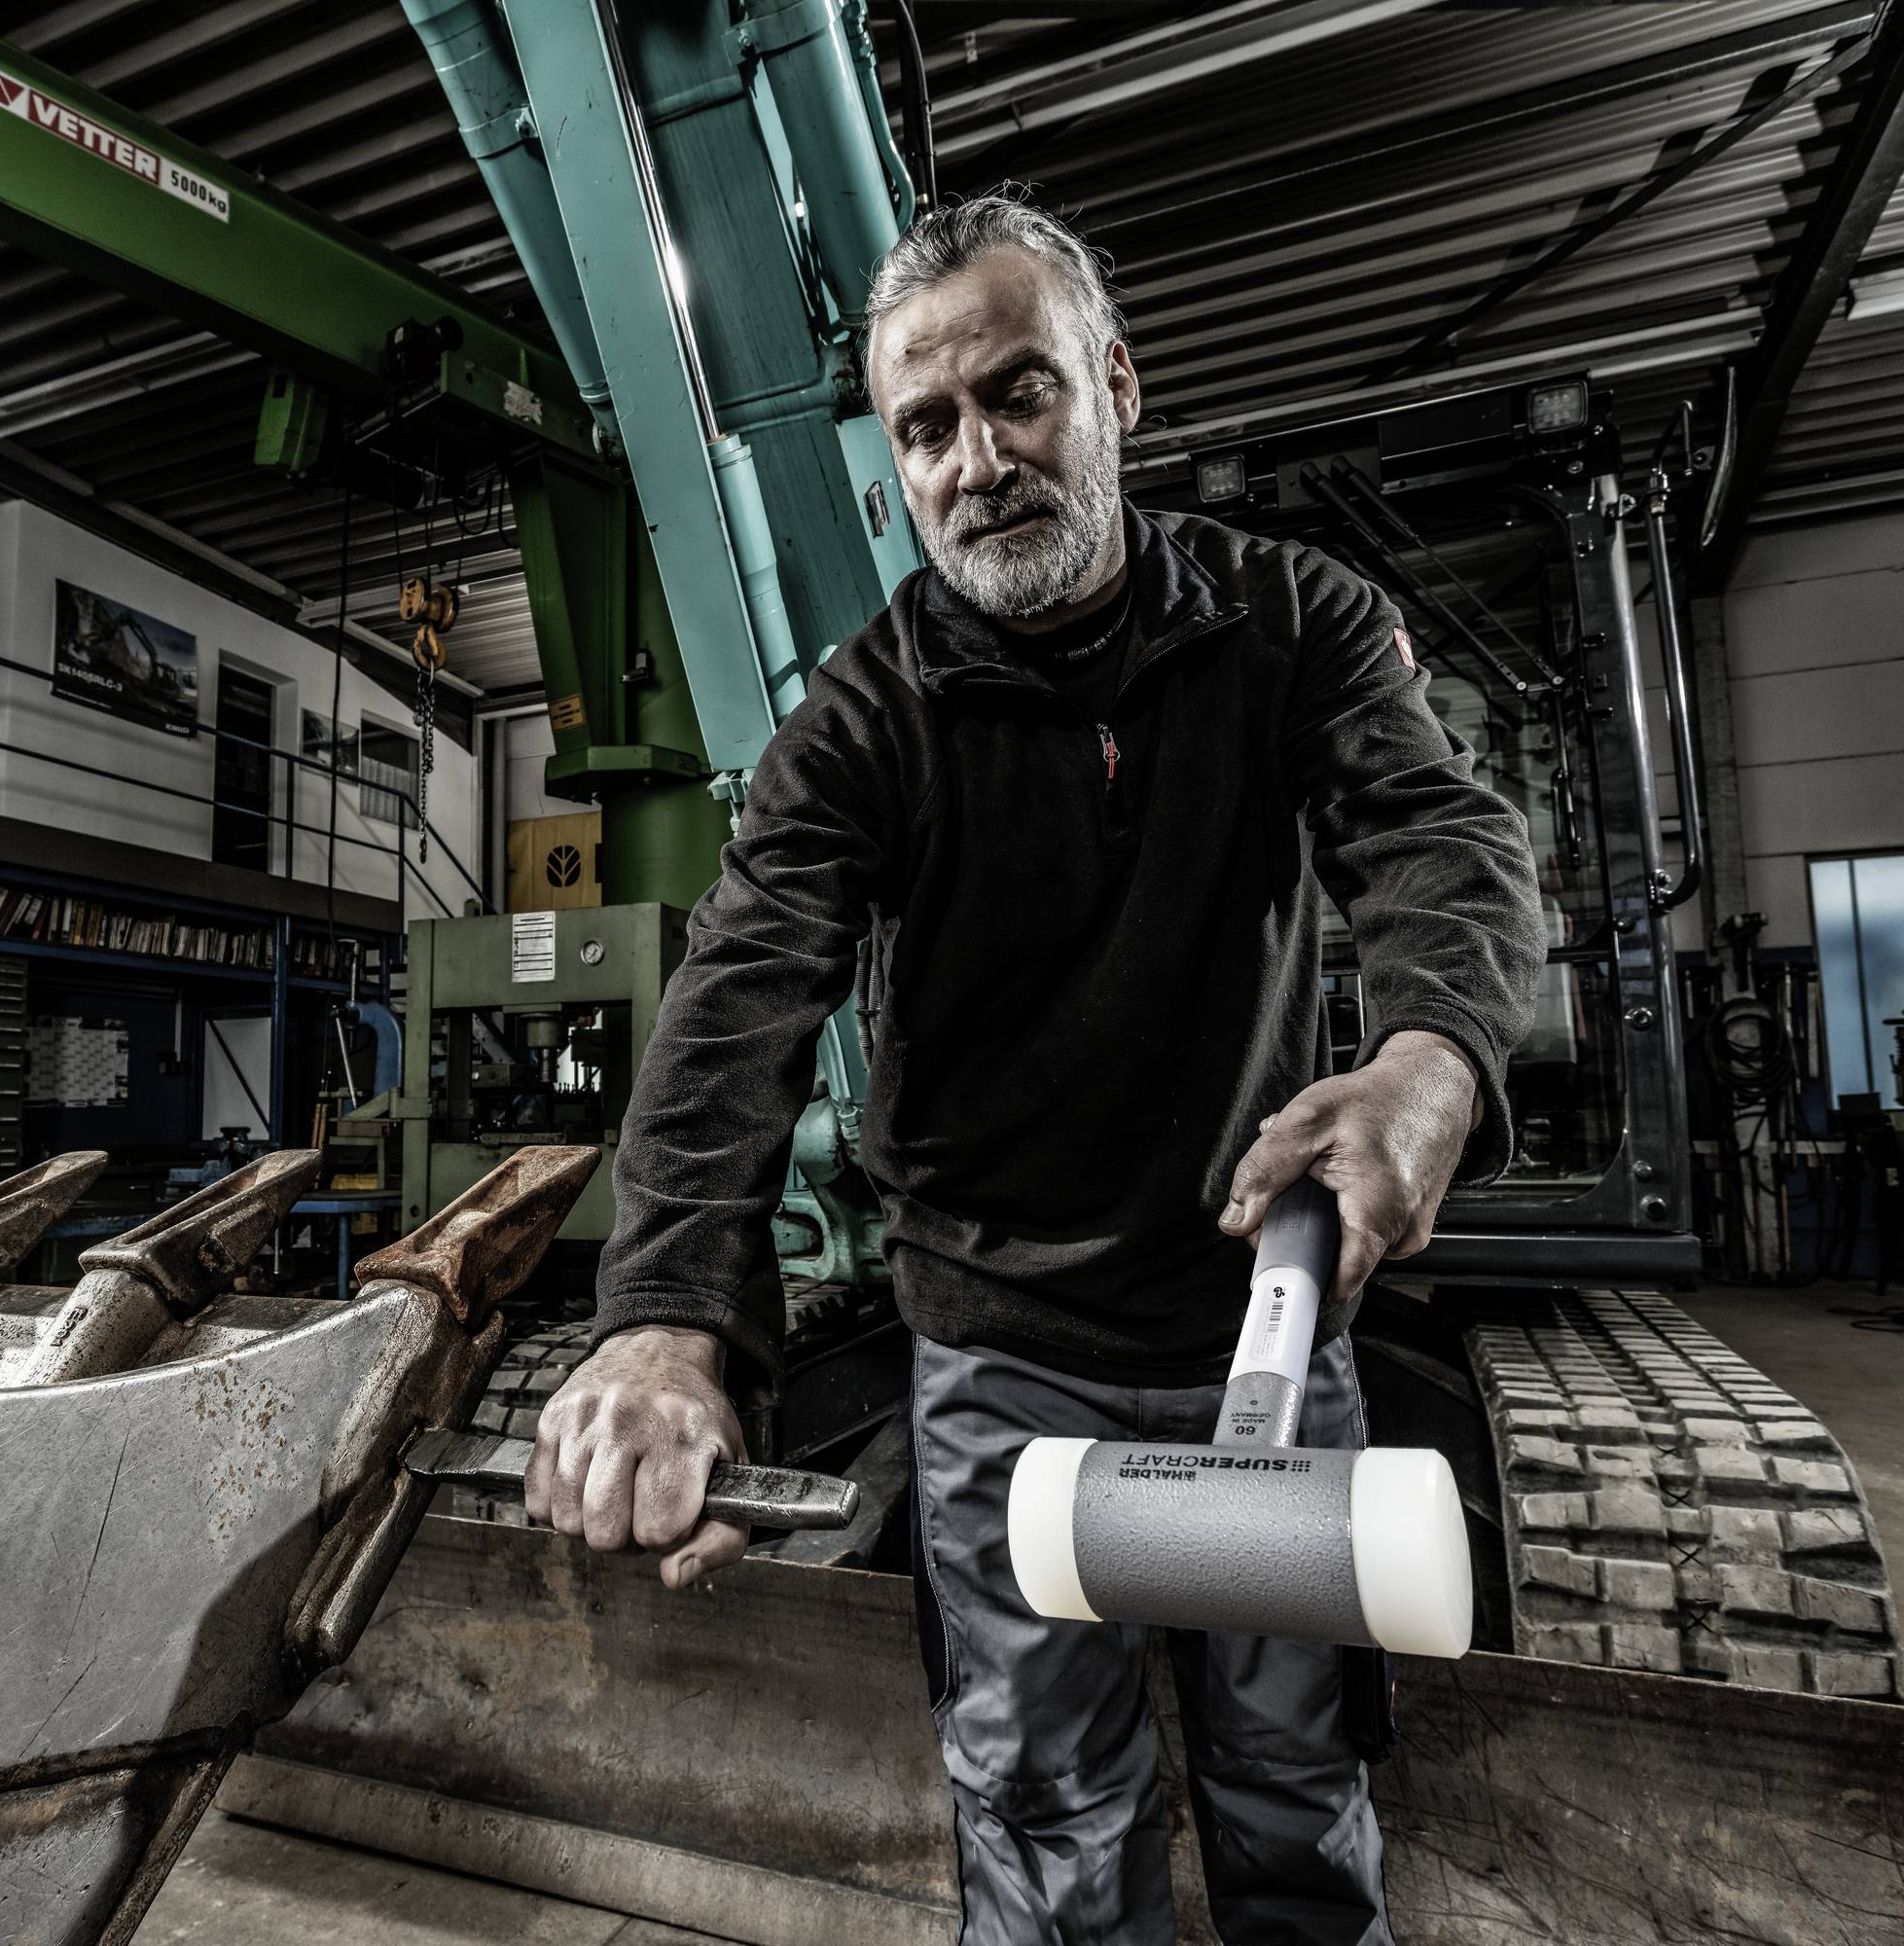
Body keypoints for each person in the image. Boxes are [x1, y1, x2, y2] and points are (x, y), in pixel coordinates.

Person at [521, 191, 1546, 1944]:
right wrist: (668, 1319)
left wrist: (1430, 1064)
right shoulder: (863, 722)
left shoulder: (1292, 627)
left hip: (1266, 1343)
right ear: (893, 468)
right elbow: (741, 998)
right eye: (927, 428)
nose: (977, 459)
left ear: (1118, 387)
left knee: (1298, 1808)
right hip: (1004, 1372)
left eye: (1018, 395)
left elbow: (1440, 840)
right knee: (1052, 1833)